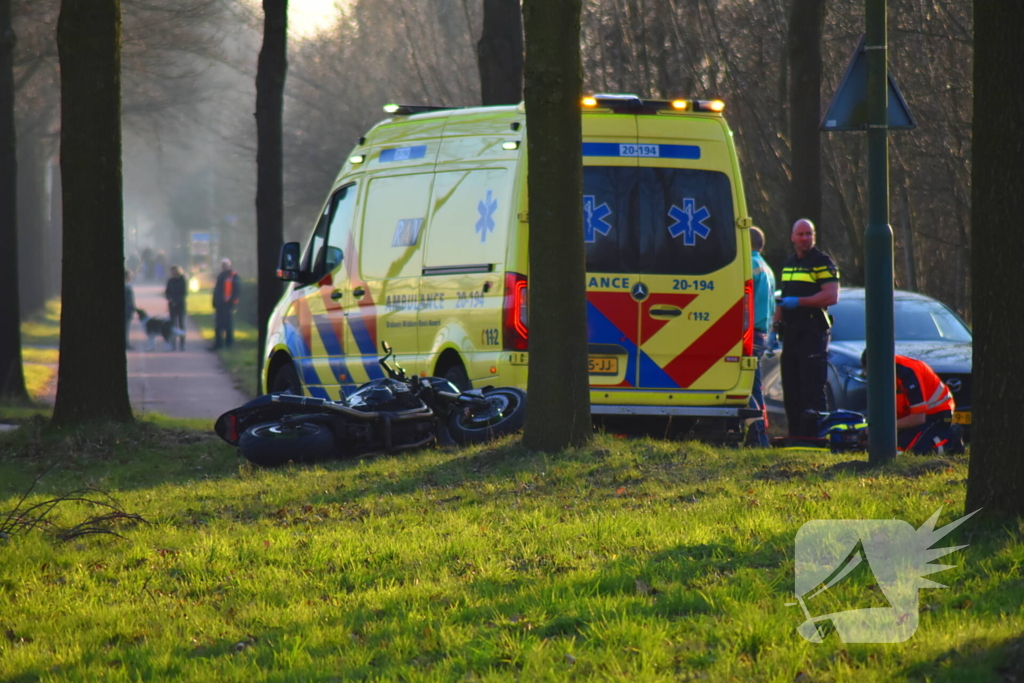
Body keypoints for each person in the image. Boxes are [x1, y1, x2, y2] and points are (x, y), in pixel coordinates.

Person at [772, 218, 840, 436]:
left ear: (814, 236)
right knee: (791, 388)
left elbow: (831, 295)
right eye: (800, 234)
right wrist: (776, 325)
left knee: (811, 388)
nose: (804, 238)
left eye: (808, 234)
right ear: (792, 237)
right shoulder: (789, 262)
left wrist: (799, 302)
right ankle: (796, 438)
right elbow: (783, 296)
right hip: (791, 332)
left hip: (812, 331)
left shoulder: (823, 262)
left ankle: (816, 438)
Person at [861, 351, 963, 454]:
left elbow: (918, 418)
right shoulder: (882, 375)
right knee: (887, 449)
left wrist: (881, 427)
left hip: (935, 413)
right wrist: (872, 429)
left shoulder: (908, 371)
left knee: (913, 452)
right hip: (908, 416)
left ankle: (951, 435)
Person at [745, 226, 776, 447]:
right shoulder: (766, 267)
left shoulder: (749, 266)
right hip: (763, 332)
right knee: (756, 386)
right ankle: (759, 435)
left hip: (750, 332)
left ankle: (758, 437)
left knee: (749, 387)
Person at [212, 258, 241, 350]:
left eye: (225, 265)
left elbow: (236, 291)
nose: (224, 266)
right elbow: (217, 290)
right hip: (220, 305)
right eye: (223, 265)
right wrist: (214, 301)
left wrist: (232, 303)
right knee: (218, 326)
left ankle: (229, 344)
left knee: (228, 325)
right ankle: (218, 344)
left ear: (229, 265)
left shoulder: (233, 276)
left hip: (227, 305)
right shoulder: (221, 275)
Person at [165, 265, 188, 351]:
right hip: (172, 306)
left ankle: (182, 344)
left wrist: (176, 301)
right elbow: (167, 292)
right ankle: (173, 344)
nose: (173, 273)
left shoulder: (183, 280)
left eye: (174, 271)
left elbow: (184, 293)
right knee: (172, 325)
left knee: (181, 324)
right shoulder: (170, 280)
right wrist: (169, 298)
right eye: (172, 272)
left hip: (180, 305)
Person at [124, 269, 136, 351]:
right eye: (130, 276)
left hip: (128, 310)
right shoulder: (126, 287)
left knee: (126, 327)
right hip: (126, 310)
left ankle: (126, 343)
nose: (131, 277)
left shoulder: (128, 286)